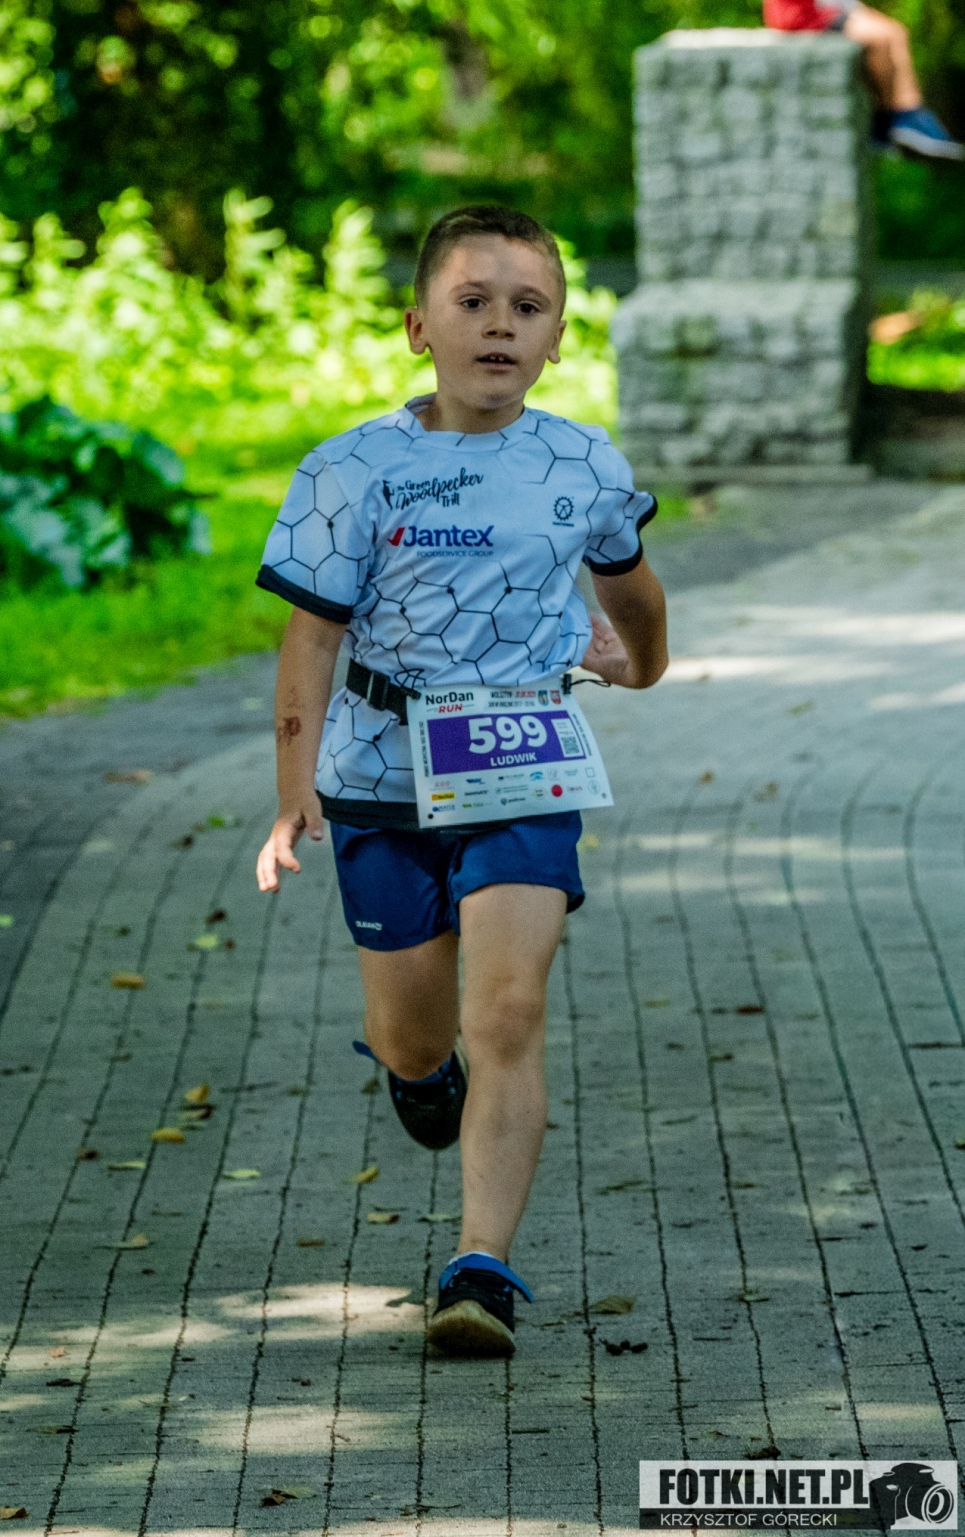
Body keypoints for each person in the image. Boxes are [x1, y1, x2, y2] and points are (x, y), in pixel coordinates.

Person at [254, 205, 668, 1357]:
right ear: (418, 328)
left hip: (522, 763)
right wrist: (294, 789)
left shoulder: (583, 463)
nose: (499, 325)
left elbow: (631, 589)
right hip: (379, 776)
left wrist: (641, 664)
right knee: (415, 1035)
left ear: (557, 337)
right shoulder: (351, 469)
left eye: (526, 307)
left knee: (508, 1011)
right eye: (472, 302)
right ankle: (418, 1071)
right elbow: (309, 640)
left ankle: (479, 1268)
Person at [764, 0, 964, 160]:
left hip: (823, 10)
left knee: (896, 32)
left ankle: (908, 116)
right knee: (879, 38)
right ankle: (897, 120)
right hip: (801, 16)